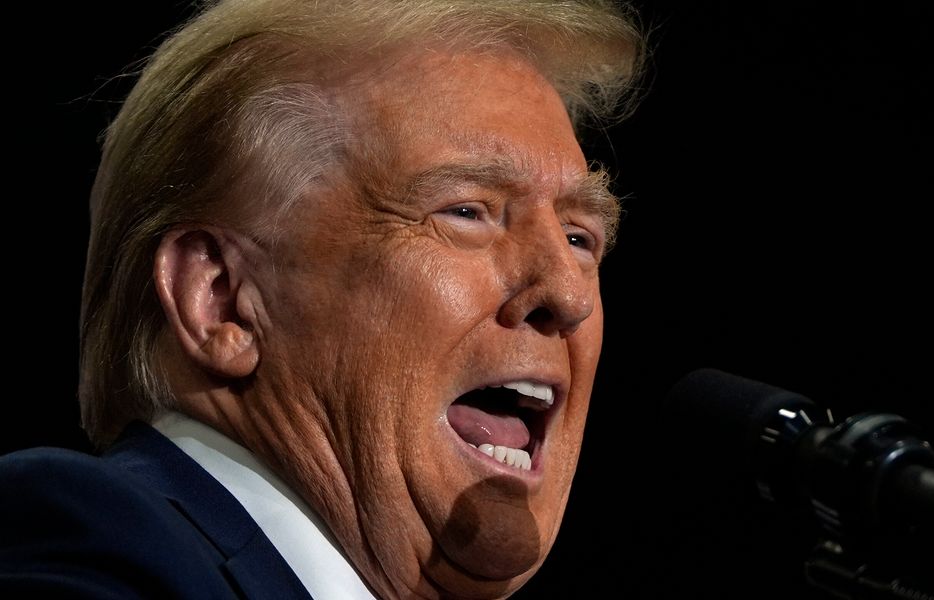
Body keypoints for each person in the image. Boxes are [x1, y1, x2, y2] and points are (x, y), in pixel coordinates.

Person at [0, 1, 644, 598]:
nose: (566, 292)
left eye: (579, 236)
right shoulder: (94, 549)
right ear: (221, 301)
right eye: (468, 212)